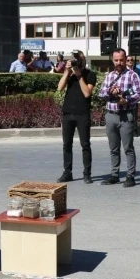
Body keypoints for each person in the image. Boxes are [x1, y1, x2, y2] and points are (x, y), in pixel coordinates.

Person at [98, 48, 140, 187]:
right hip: (111, 115)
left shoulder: (132, 75)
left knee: (128, 147)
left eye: (121, 60)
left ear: (125, 60)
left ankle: (130, 176)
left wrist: (127, 99)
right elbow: (101, 93)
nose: (119, 62)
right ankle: (114, 174)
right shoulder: (109, 76)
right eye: (116, 60)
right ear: (113, 60)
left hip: (125, 115)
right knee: (113, 147)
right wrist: (110, 91)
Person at [56, 50, 97, 184]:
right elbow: (59, 88)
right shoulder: (70, 74)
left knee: (85, 144)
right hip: (67, 113)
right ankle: (67, 172)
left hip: (82, 114)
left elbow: (87, 93)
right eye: (76, 60)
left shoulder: (90, 74)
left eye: (80, 60)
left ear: (84, 61)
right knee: (66, 144)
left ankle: (87, 174)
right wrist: (67, 72)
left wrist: (79, 76)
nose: (78, 62)